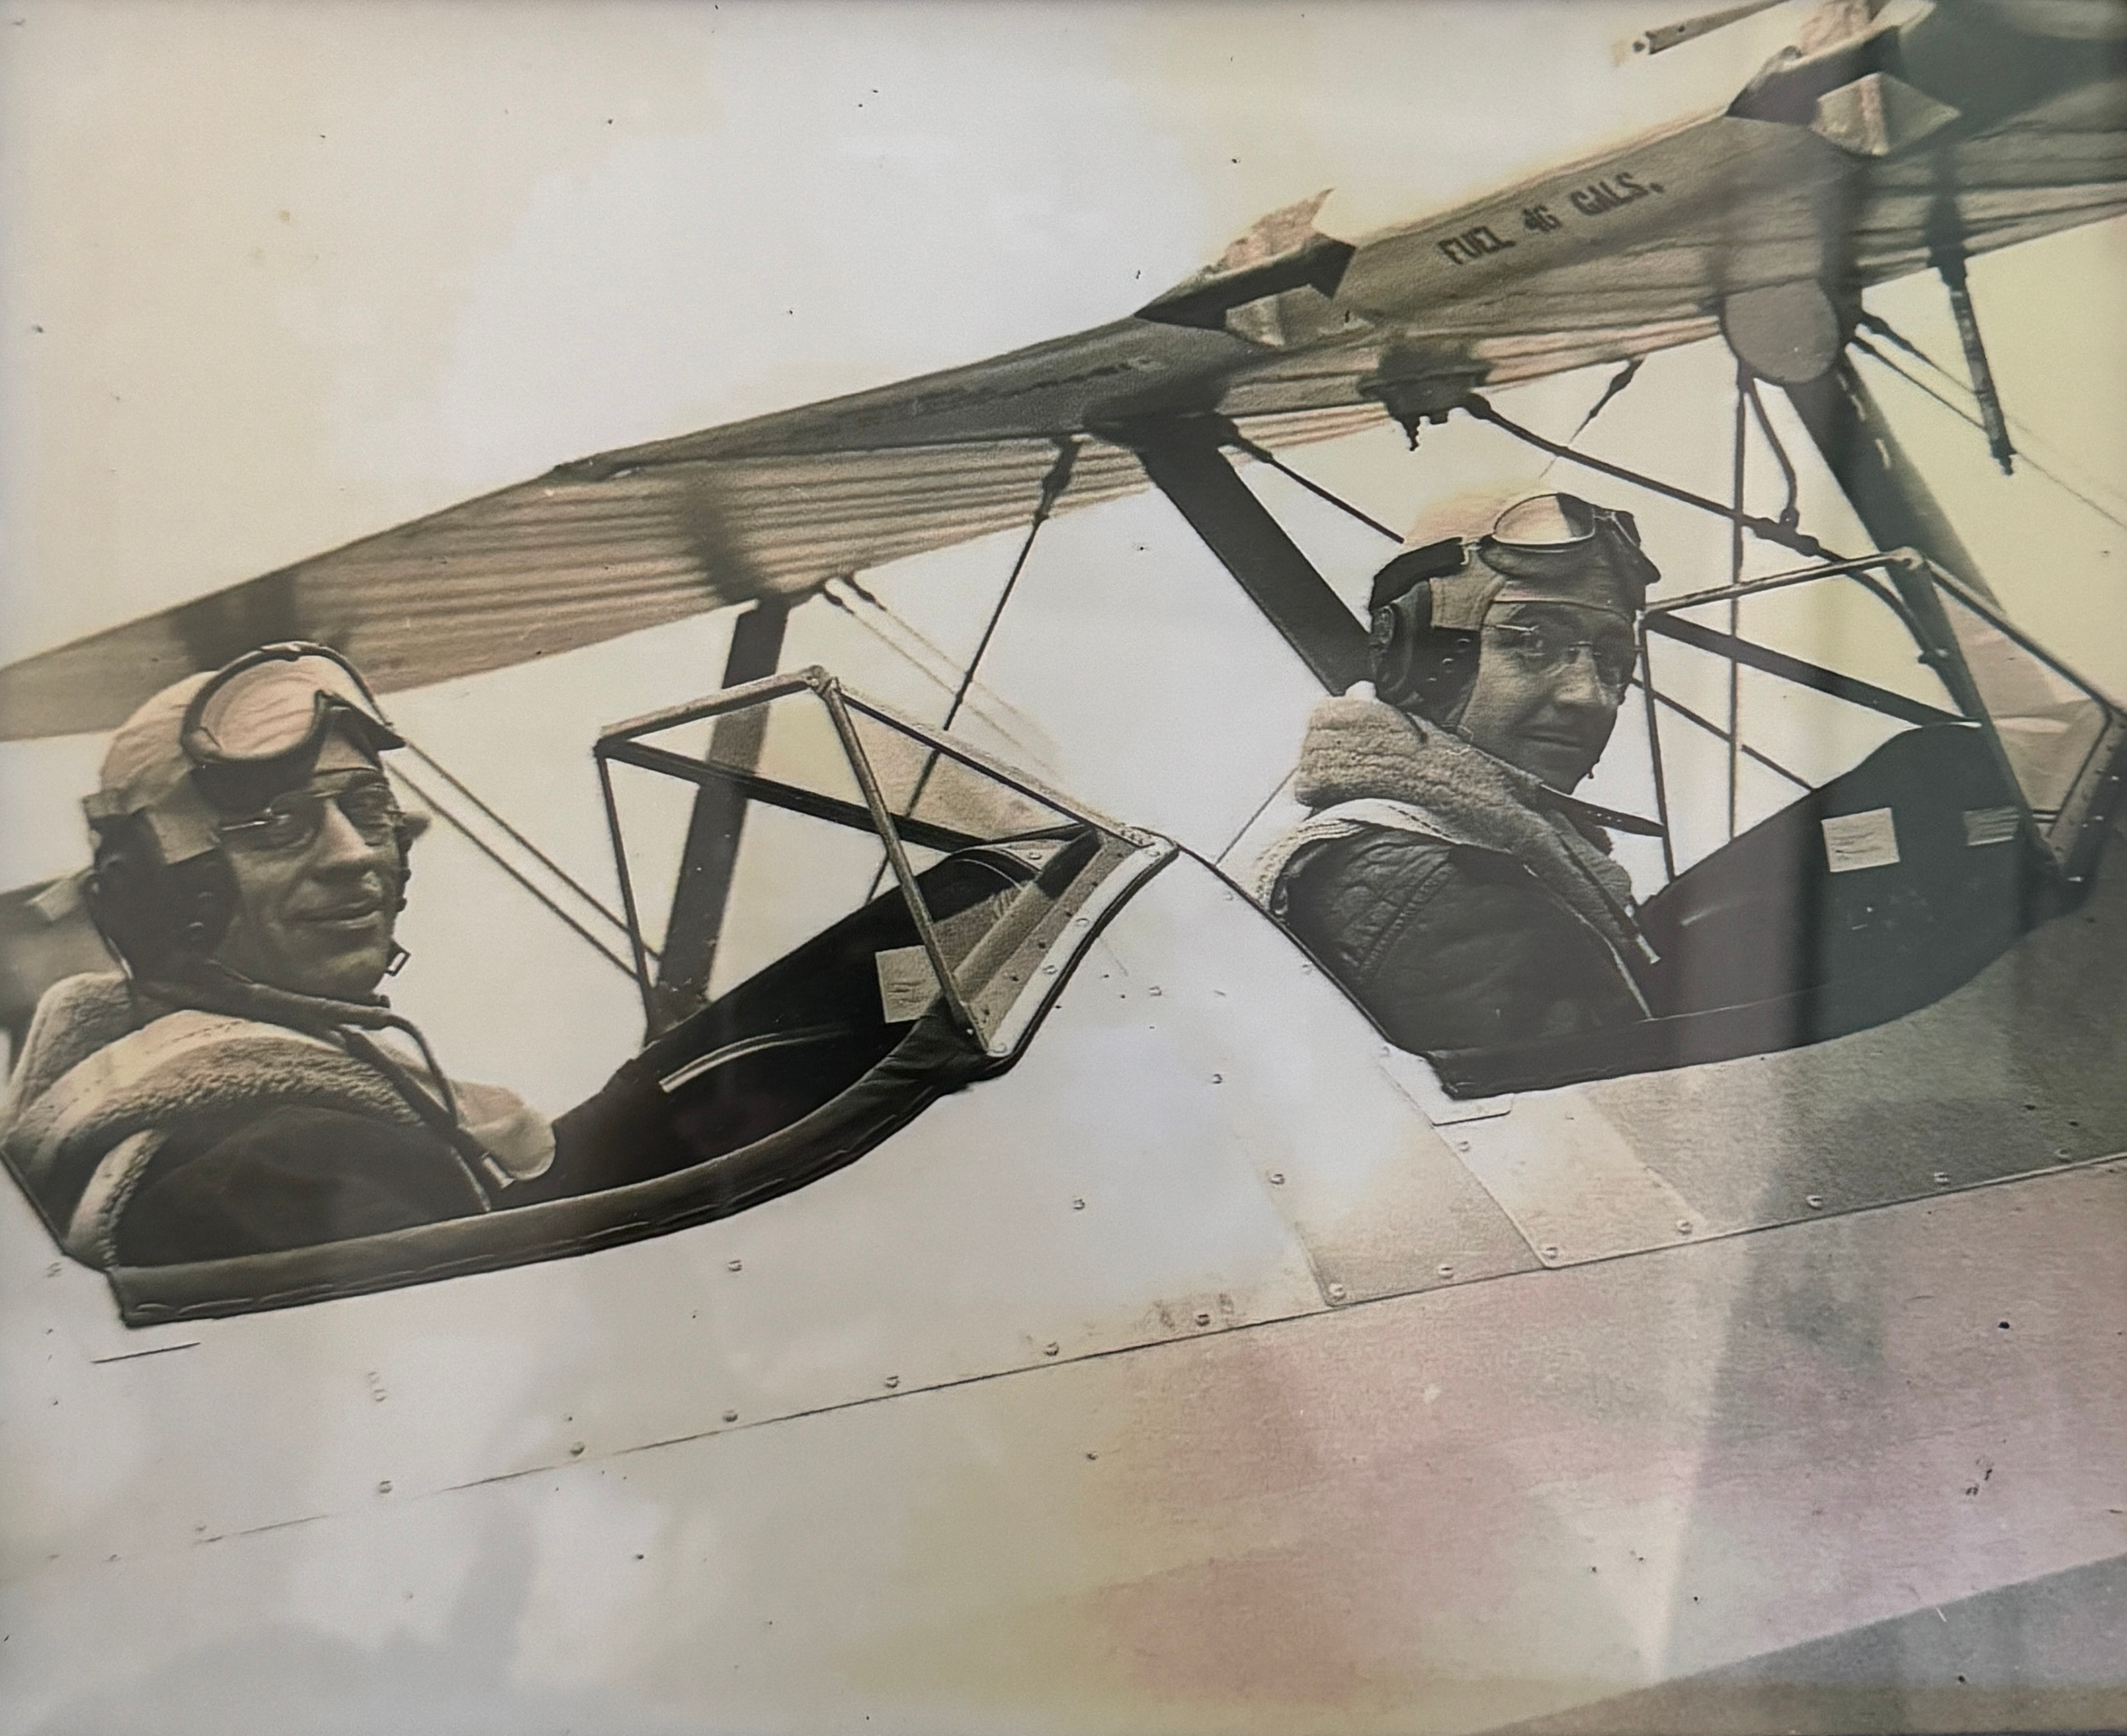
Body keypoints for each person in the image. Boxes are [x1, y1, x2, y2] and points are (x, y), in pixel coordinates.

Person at [0, 644, 575, 1266]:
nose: (354, 853)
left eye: (365, 808)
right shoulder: (288, 1163)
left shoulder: (136, 1090)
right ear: (152, 891)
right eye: (278, 824)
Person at [1252, 492, 1663, 1056]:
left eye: (1612, 661)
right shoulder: (1437, 884)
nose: (1588, 696)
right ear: (1418, 658)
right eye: (1533, 642)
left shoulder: (1498, 854)